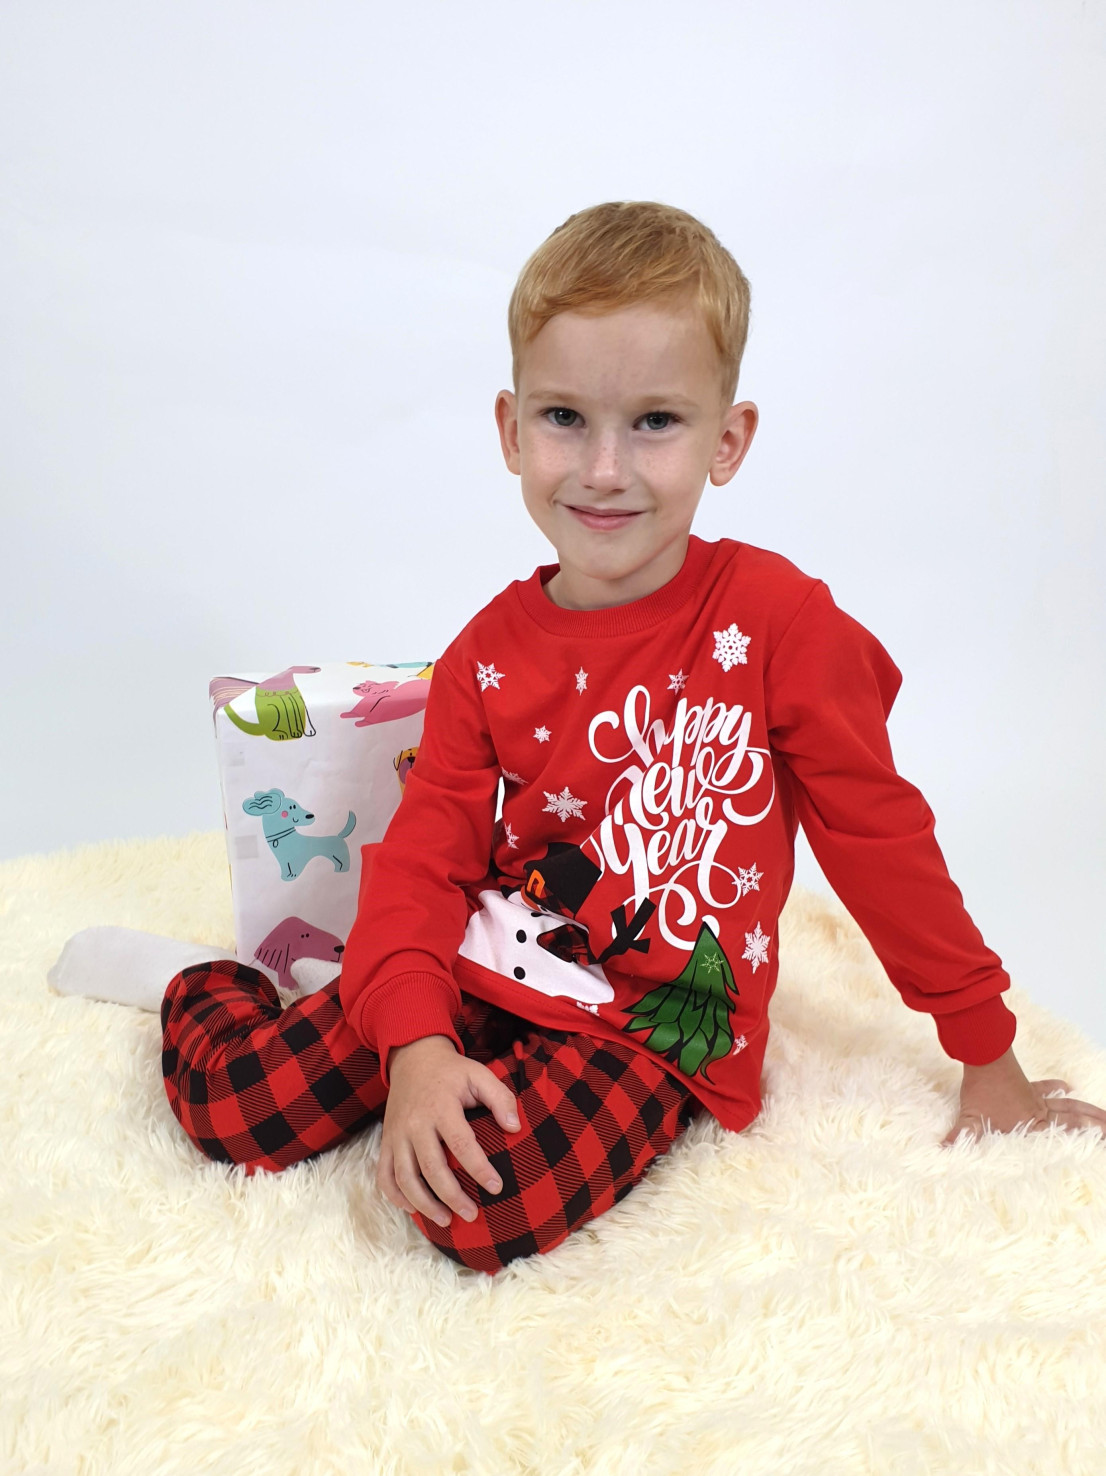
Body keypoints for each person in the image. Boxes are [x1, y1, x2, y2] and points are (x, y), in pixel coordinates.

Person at [148, 202, 1105, 1273]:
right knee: (235, 1108)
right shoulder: (485, 654)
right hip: (491, 950)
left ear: (726, 441)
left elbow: (878, 840)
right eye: (565, 417)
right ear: (510, 429)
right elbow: (425, 860)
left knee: (480, 1211)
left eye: (655, 422)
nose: (603, 469)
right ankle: (211, 983)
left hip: (651, 1023)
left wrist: (986, 1051)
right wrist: (415, 1044)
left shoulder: (780, 624)